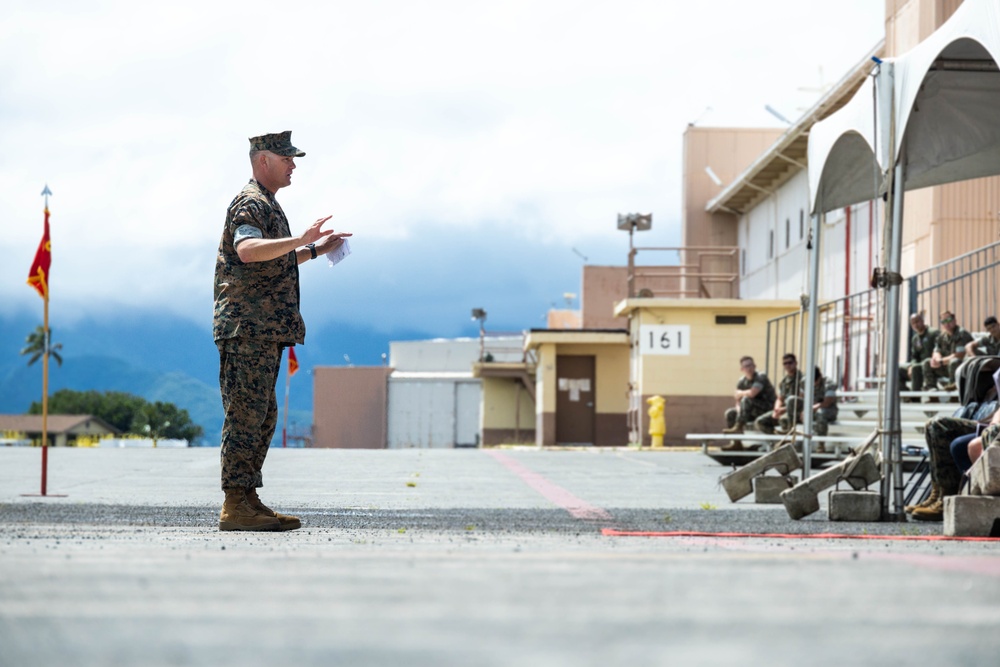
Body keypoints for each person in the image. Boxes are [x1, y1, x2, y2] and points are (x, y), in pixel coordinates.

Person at [213, 130, 351, 532]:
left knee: (263, 415)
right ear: (263, 161)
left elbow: (270, 262)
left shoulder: (268, 204)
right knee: (245, 414)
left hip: (263, 329)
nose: (293, 164)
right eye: (286, 157)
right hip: (246, 327)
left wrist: (313, 251)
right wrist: (300, 240)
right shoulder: (251, 204)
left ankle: (247, 498)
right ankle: (235, 503)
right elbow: (247, 250)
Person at [909, 366, 1000, 521]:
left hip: (993, 426)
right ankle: (938, 493)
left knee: (946, 432)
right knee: (933, 425)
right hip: (990, 420)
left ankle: (949, 496)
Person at [720, 356, 776, 451]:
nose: (749, 368)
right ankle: (736, 443)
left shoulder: (760, 376)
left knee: (746, 399)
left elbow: (752, 393)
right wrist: (739, 412)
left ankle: (738, 426)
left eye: (751, 365)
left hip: (767, 409)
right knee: (730, 413)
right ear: (742, 369)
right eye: (746, 366)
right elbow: (737, 401)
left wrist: (740, 393)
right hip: (750, 411)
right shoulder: (742, 381)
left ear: (755, 366)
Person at [920, 311, 973, 393]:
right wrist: (937, 359)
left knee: (954, 362)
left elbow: (959, 355)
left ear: (954, 320)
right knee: (927, 362)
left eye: (949, 320)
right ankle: (931, 388)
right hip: (946, 366)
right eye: (944, 321)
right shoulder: (942, 336)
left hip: (962, 367)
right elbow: (936, 350)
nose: (947, 323)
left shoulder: (962, 334)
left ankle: (952, 387)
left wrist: (941, 362)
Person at [755, 353, 804, 436]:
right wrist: (776, 409)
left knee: (784, 419)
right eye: (785, 363)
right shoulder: (784, 381)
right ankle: (778, 440)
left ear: (795, 363)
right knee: (760, 421)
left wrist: (783, 409)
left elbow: (802, 399)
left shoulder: (801, 379)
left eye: (790, 362)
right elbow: (780, 398)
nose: (787, 365)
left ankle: (788, 441)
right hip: (783, 410)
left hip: (796, 412)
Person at [898, 312, 937, 393]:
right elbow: (914, 356)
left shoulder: (933, 333)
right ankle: (905, 395)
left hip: (931, 365)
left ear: (922, 321)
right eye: (913, 323)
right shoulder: (915, 338)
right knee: (898, 370)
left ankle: (915, 398)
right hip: (919, 365)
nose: (915, 324)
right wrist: (911, 366)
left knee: (916, 368)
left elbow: (939, 350)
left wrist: (914, 366)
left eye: (917, 321)